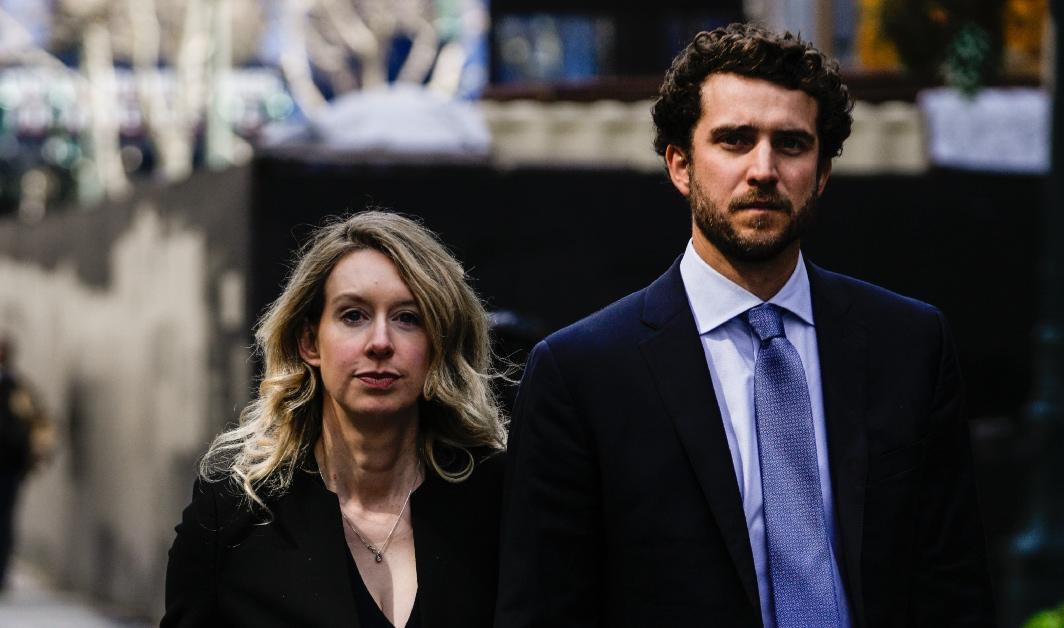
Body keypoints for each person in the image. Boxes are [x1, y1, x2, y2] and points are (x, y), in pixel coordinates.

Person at [496, 23, 995, 628]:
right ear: (680, 165)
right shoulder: (581, 374)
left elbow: (953, 587)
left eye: (790, 144)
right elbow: (545, 608)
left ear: (823, 172)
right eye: (734, 140)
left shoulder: (909, 345)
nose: (763, 169)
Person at [164, 211, 507, 628]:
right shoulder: (234, 506)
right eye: (353, 315)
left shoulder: (498, 498)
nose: (380, 342)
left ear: (438, 343)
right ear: (309, 342)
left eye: (407, 318)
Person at [0, 336, 54, 591]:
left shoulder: (17, 390)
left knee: (4, 521)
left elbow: (39, 424)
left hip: (8, 468)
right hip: (10, 466)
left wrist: (34, 455)